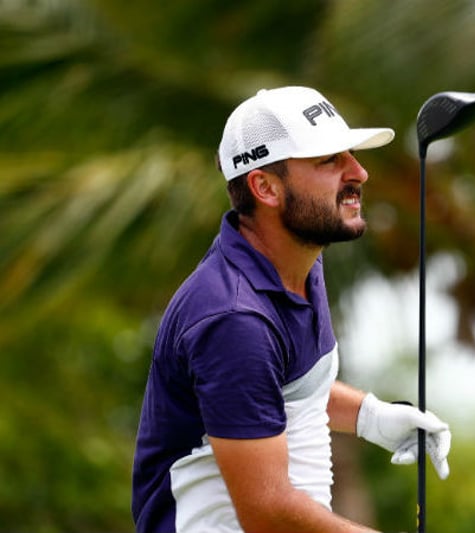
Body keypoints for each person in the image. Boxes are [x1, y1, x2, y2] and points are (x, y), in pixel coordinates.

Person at [132, 86, 451, 533]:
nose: (358, 172)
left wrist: (371, 416)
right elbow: (268, 513)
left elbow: (271, 391)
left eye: (351, 155)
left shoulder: (299, 264)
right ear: (265, 187)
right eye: (329, 160)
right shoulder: (233, 319)